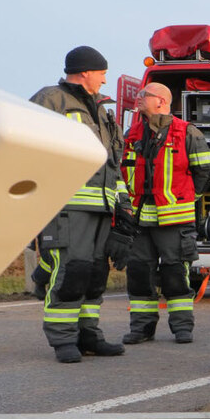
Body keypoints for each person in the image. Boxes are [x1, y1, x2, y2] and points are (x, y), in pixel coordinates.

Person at [29, 46, 128, 363]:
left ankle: (89, 335)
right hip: (67, 207)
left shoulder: (102, 110)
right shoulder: (51, 99)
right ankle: (63, 340)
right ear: (85, 71)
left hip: (102, 207)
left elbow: (114, 164)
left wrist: (122, 203)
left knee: (95, 274)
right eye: (101, 72)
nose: (104, 79)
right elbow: (29, 145)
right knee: (72, 272)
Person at [120, 82, 210, 344]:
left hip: (174, 218)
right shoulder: (132, 134)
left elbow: (206, 171)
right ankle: (141, 328)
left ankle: (182, 327)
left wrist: (187, 197)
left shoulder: (187, 133)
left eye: (143, 95)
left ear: (161, 101)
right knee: (139, 273)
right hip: (139, 219)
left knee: (175, 273)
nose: (138, 99)